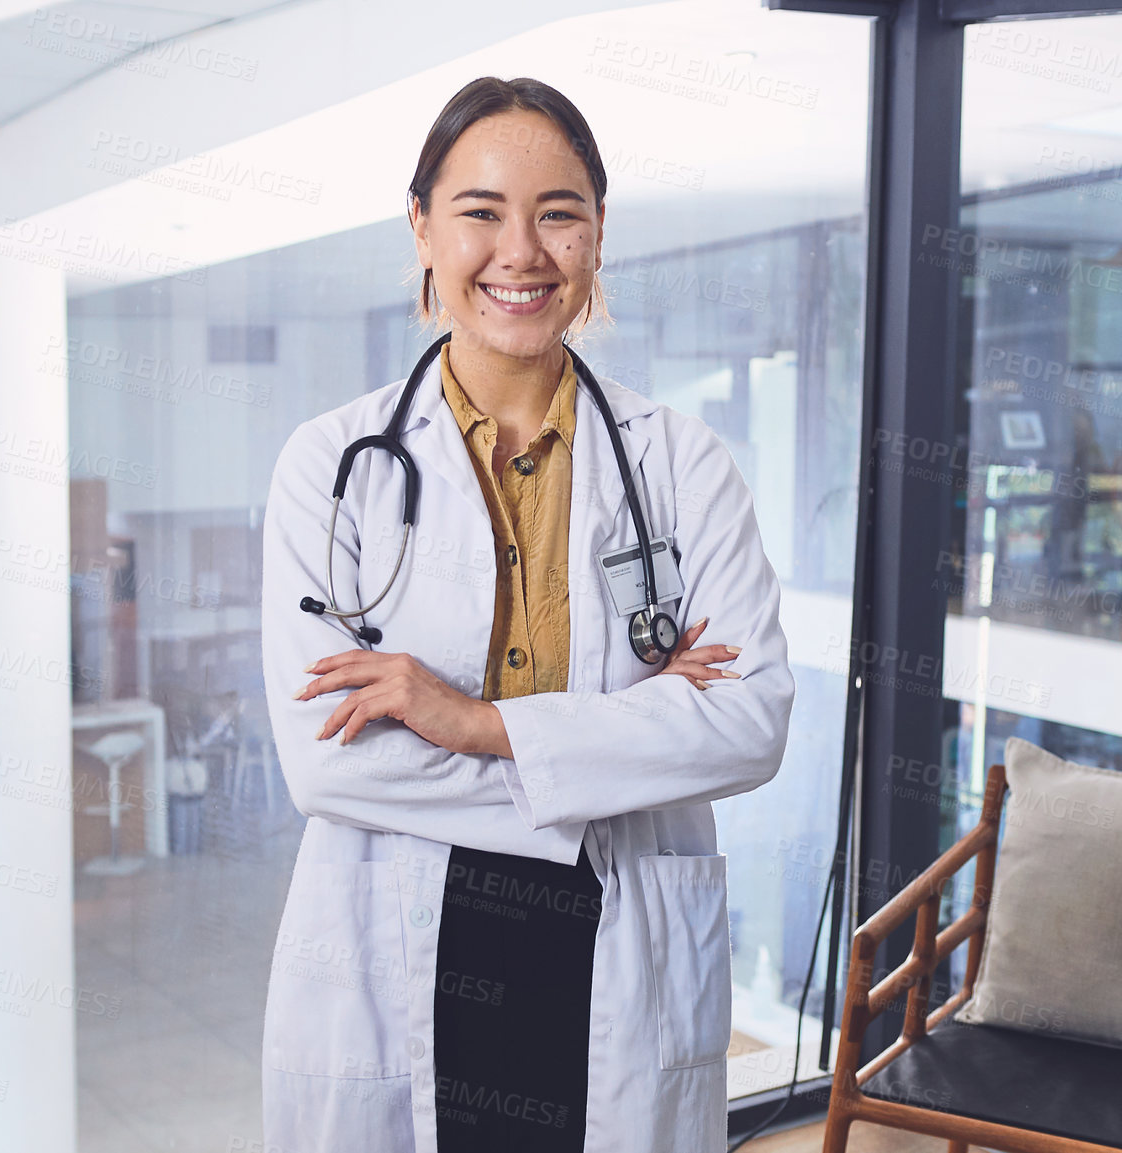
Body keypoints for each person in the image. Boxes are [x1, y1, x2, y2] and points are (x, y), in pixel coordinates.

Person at [259, 76, 795, 1153]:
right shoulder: (331, 467)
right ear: (420, 226)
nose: (522, 252)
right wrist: (626, 743)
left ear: (597, 235)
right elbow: (331, 766)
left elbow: (748, 723)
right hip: (398, 939)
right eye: (480, 212)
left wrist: (473, 721)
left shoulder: (680, 463)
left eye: (558, 212)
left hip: (617, 940)